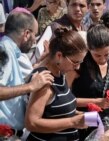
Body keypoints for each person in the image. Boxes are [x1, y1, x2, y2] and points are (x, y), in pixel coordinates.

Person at [25, 28, 88, 141]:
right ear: (59, 56)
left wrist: (78, 115)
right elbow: (31, 123)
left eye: (80, 62)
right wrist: (73, 122)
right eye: (75, 62)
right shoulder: (45, 81)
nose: (78, 67)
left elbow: (56, 110)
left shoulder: (59, 72)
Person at [68, 24, 109, 140]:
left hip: (106, 127)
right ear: (88, 49)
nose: (102, 59)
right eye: (97, 55)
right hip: (81, 123)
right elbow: (65, 101)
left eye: (106, 54)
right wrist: (96, 102)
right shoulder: (78, 66)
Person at [0, 8, 53, 140]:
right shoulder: (4, 50)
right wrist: (30, 86)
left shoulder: (11, 51)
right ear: (26, 33)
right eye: (35, 35)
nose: (35, 41)